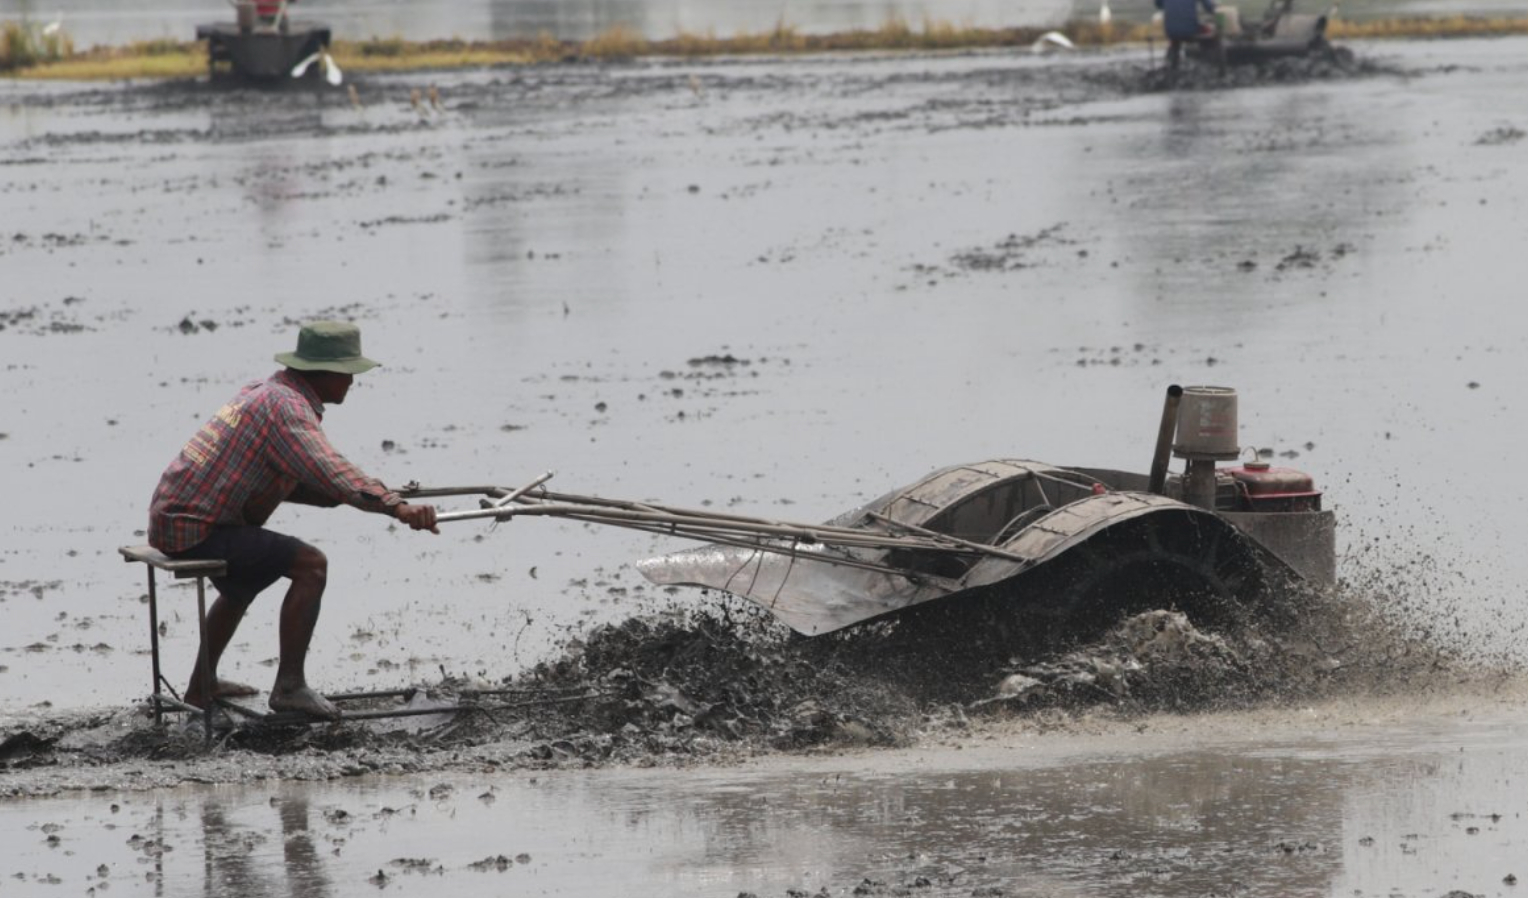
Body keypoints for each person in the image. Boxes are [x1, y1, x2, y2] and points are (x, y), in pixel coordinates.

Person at [147, 321, 438, 720]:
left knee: (241, 586)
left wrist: (345, 496)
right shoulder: (287, 409)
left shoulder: (267, 393)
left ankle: (201, 687)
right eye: (348, 373)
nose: (352, 382)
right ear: (324, 372)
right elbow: (329, 467)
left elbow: (293, 478)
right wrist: (394, 505)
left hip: (179, 518)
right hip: (196, 527)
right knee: (310, 565)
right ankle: (289, 687)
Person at [1156, 0, 1218, 69]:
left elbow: (1159, 5)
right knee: (1209, 33)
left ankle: (1174, 63)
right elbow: (1209, 7)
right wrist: (1215, 7)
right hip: (1189, 29)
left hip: (1171, 30)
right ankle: (1208, 63)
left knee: (1176, 35)